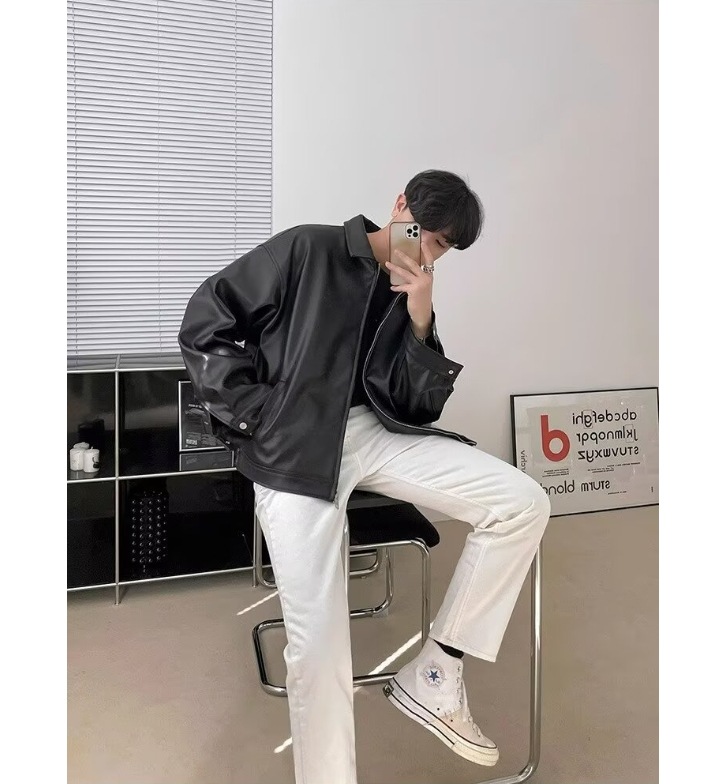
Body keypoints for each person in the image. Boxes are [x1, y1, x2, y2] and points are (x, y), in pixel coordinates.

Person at [178, 169, 550, 784]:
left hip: (375, 435)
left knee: (522, 501)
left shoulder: (410, 288)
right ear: (400, 204)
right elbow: (205, 321)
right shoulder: (310, 247)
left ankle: (436, 671)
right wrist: (258, 415)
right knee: (318, 643)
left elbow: (415, 407)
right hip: (295, 446)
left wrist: (421, 317)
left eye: (443, 247)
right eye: (425, 234)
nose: (428, 252)